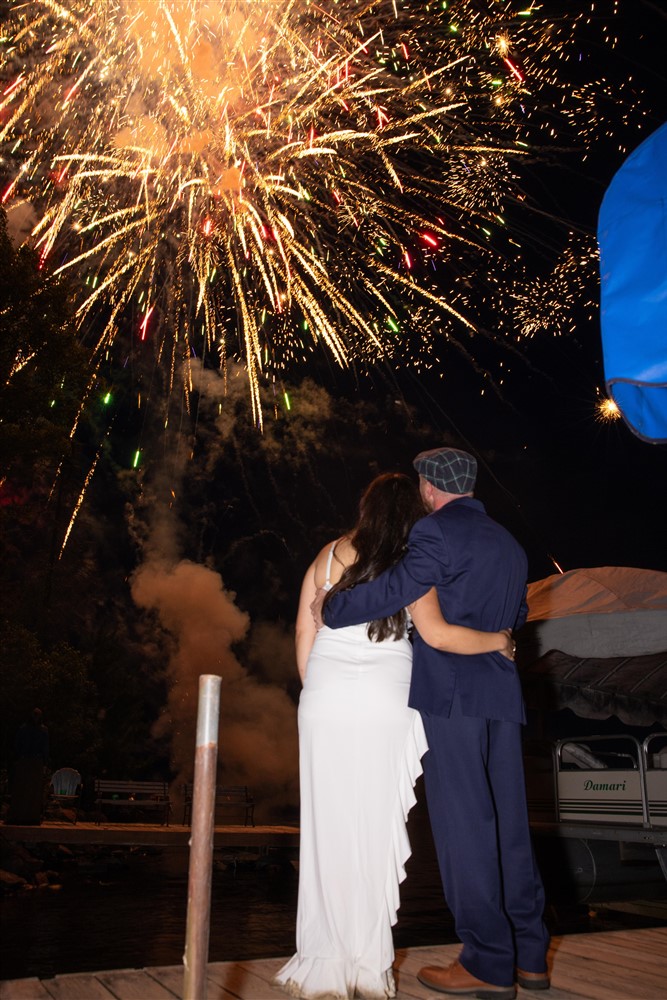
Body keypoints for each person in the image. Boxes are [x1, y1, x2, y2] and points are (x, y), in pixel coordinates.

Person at [274, 472, 516, 1000]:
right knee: (373, 827)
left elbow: (302, 630)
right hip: (386, 699)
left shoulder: (329, 554)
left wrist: (315, 691)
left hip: (326, 696)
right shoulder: (411, 564)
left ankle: (322, 956)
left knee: (326, 825)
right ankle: (367, 964)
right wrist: (499, 639)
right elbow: (438, 635)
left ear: (365, 508)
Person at [321, 449, 550, 1000]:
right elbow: (516, 618)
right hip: (501, 694)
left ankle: (487, 963)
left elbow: (392, 592)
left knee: (463, 828)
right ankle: (531, 956)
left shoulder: (435, 535)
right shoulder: (510, 544)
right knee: (510, 828)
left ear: (427, 488)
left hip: (453, 700)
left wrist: (333, 608)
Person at [7, 708, 50, 825]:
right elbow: (17, 745)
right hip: (27, 761)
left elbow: (45, 748)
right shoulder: (25, 729)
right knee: (23, 789)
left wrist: (44, 763)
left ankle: (30, 816)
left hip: (33, 762)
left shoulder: (41, 730)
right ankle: (20, 816)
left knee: (33, 791)